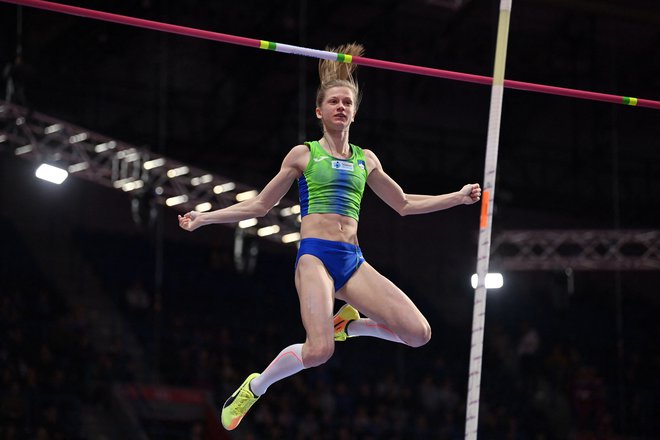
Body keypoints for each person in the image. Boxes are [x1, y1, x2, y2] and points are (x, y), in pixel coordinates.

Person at [178, 43, 481, 431]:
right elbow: (259, 207)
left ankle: (350, 325)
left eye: (347, 102)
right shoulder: (303, 154)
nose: (341, 106)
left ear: (355, 112)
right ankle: (255, 386)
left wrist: (456, 198)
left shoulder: (365, 158)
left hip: (353, 262)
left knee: (419, 334)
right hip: (315, 258)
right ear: (319, 111)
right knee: (319, 350)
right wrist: (205, 218)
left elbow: (403, 203)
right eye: (334, 101)